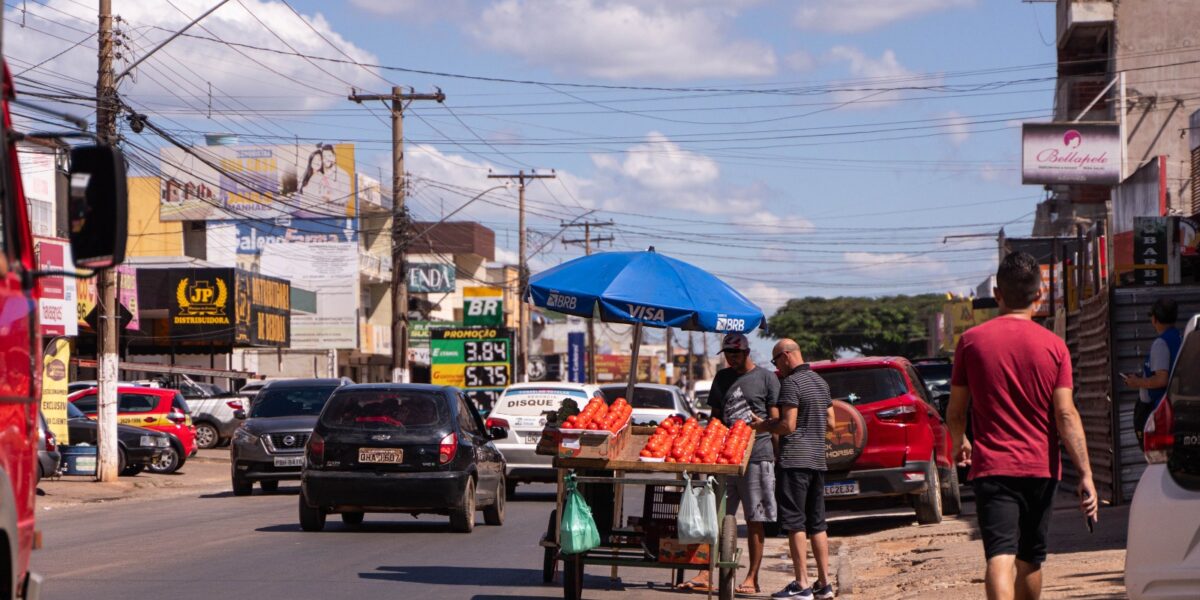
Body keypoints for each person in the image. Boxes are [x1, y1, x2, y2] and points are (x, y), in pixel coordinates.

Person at [946, 251, 1099, 600]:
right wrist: (1086, 473)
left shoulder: (970, 343)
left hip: (992, 469)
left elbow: (956, 412)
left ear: (998, 294)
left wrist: (960, 441)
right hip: (1040, 470)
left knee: (999, 557)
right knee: (1030, 559)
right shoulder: (1055, 347)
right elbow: (1066, 415)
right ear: (1039, 296)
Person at [678, 333, 780, 595]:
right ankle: (704, 573)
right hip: (724, 458)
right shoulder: (722, 378)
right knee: (715, 517)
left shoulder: (767, 378)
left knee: (756, 518)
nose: (731, 359)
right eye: (727, 354)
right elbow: (715, 418)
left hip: (757, 455)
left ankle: (752, 578)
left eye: (735, 354)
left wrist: (776, 455)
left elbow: (776, 420)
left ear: (747, 352)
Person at [750, 339, 835, 600]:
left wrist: (763, 426)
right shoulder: (821, 382)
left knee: (795, 523)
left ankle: (802, 584)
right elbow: (831, 423)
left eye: (776, 361)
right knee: (817, 524)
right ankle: (824, 583)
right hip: (817, 462)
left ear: (786, 356)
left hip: (794, 461)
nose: (777, 368)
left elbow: (788, 425)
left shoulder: (791, 383)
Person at [1124, 297, 1182, 446]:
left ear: (1155, 319)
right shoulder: (1179, 338)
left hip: (1159, 411)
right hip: (1171, 408)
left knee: (1158, 459)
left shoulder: (1161, 343)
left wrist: (1136, 382)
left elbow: (1162, 379)